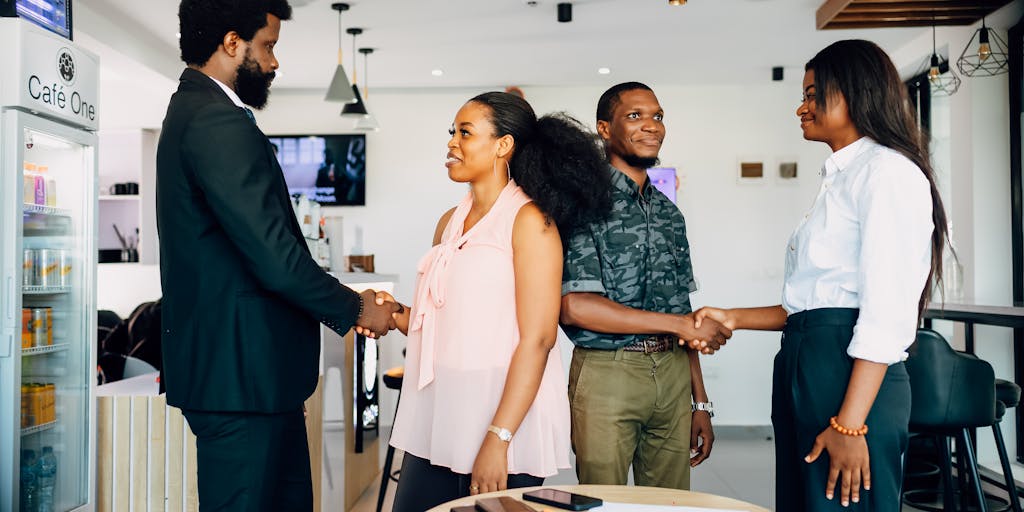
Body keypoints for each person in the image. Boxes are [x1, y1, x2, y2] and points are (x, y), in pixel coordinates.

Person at [156, 1, 398, 510]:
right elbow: (273, 255)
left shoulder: (200, 112)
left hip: (252, 381)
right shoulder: (215, 121)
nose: (273, 62)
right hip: (240, 381)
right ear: (231, 43)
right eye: (267, 45)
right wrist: (356, 308)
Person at [692, 40, 949, 511]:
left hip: (848, 377)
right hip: (808, 363)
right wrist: (732, 316)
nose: (801, 107)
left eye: (813, 95)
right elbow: (810, 304)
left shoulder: (887, 173)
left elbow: (885, 313)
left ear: (854, 93)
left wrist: (851, 424)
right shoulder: (842, 178)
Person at [363, 91, 613, 512]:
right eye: (452, 132)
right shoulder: (449, 221)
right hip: (440, 413)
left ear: (503, 145)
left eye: (465, 132)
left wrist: (499, 438)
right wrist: (393, 312)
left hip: (500, 418)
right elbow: (442, 322)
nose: (451, 143)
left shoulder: (530, 222)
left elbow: (539, 339)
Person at [558, 82, 732, 490]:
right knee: (604, 501)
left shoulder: (669, 213)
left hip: (672, 372)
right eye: (635, 116)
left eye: (658, 116)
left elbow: (682, 312)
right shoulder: (581, 203)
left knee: (670, 502)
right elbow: (576, 307)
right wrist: (680, 326)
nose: (651, 125)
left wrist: (699, 401)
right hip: (606, 372)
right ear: (604, 129)